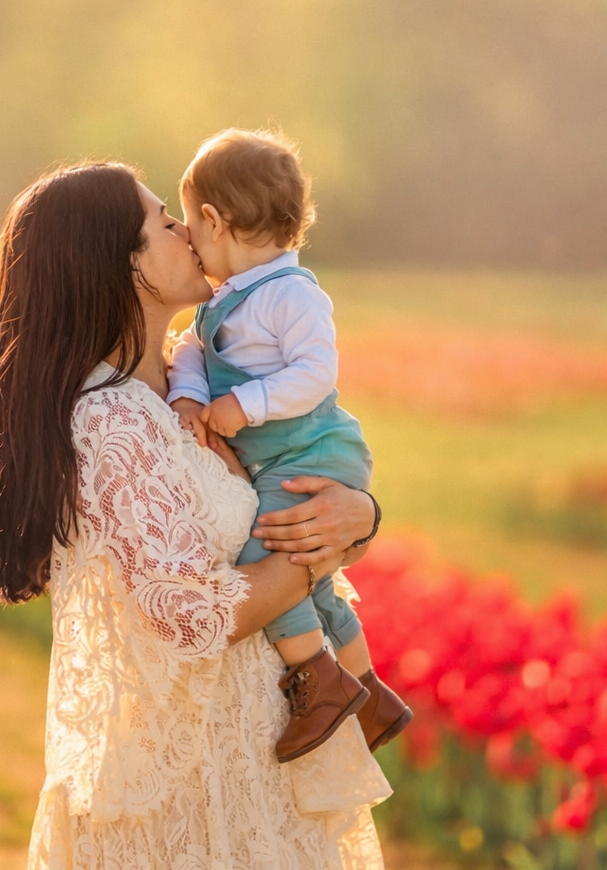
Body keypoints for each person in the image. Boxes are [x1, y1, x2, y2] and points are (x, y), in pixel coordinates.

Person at [0, 162, 391, 870]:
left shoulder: (202, 382)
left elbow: (298, 489)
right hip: (186, 789)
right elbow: (196, 614)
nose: (188, 230)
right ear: (123, 264)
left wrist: (360, 513)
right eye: (163, 222)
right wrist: (319, 545)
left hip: (262, 765)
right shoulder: (110, 417)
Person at [168, 129, 412, 762]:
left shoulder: (291, 294)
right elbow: (194, 350)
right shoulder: (226, 300)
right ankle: (369, 691)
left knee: (267, 557)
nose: (186, 240)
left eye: (188, 224)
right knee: (318, 586)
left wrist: (243, 406)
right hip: (281, 456)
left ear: (214, 221)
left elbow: (314, 375)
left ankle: (319, 683)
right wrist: (190, 398)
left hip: (312, 451)